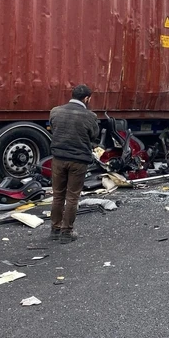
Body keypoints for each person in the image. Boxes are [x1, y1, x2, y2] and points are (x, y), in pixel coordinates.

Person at [49, 84, 100, 244]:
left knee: (58, 195)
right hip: (78, 161)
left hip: (58, 159)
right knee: (72, 197)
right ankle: (66, 232)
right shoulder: (90, 116)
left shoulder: (55, 111)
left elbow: (54, 129)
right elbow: (94, 136)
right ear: (86, 98)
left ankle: (55, 229)